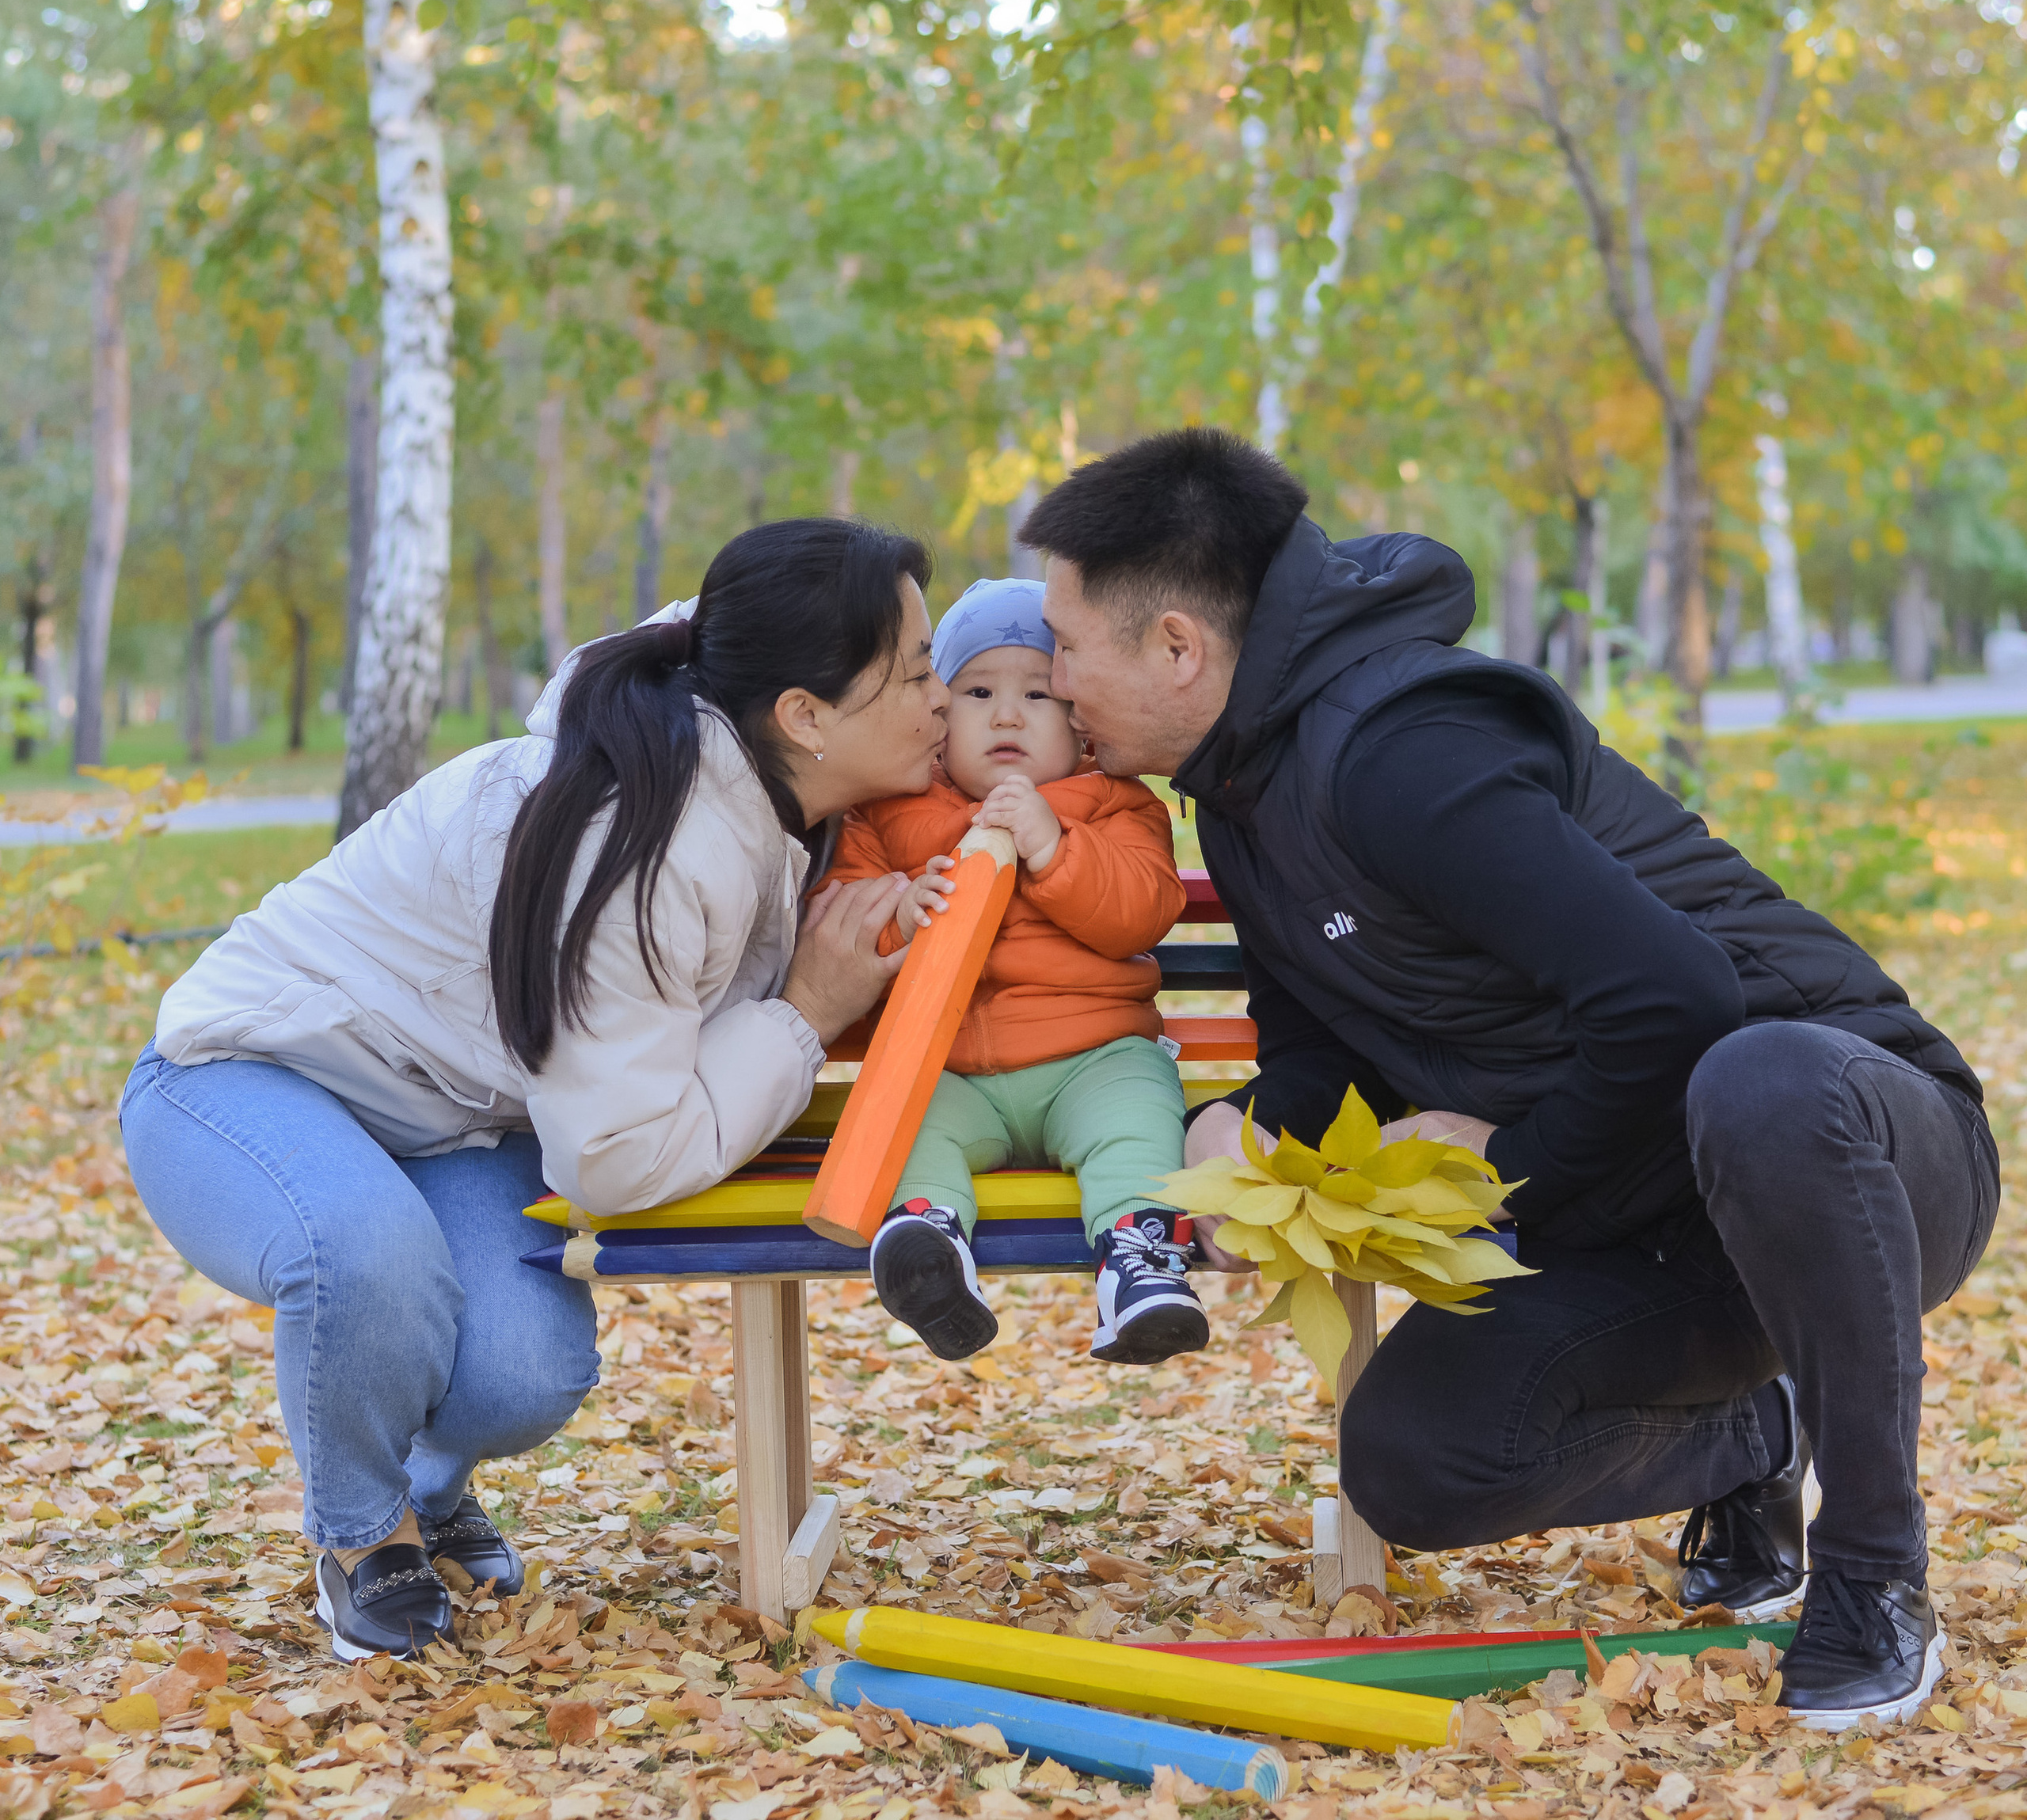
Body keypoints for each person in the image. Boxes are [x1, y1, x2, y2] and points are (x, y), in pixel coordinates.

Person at [1021, 429, 1997, 1732]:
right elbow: (1319, 1048)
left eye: (1067, 641)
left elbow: (1679, 1000)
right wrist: (1244, 1134)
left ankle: (1873, 1577)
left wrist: (1509, 1161)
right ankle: (1764, 1435)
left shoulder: (1399, 748)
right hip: (1646, 1218)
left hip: (1858, 1151)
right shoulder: (1246, 793)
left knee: (1759, 1076)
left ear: (1180, 647)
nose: (1051, 675)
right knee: (1415, 1461)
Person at [120, 518, 948, 1663]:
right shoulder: (648, 833)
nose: (943, 696)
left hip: (458, 1117)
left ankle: (424, 1484)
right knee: (366, 1258)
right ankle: (364, 1536)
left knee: (525, 1373)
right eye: (917, 672)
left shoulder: (759, 771)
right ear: (805, 715)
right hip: (249, 1074)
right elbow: (613, 1159)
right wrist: (805, 1012)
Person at [819, 578, 1207, 1366]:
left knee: (1137, 1117)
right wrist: (899, 906)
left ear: (1079, 718)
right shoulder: (891, 811)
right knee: (908, 1119)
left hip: (1092, 1057)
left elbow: (1142, 909)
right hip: (950, 1066)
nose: (1005, 713)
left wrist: (1056, 849)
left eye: (1037, 692)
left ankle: (1140, 1264)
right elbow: (840, 914)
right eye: (978, 690)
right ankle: (928, 1248)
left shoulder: (1113, 805)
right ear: (938, 713)